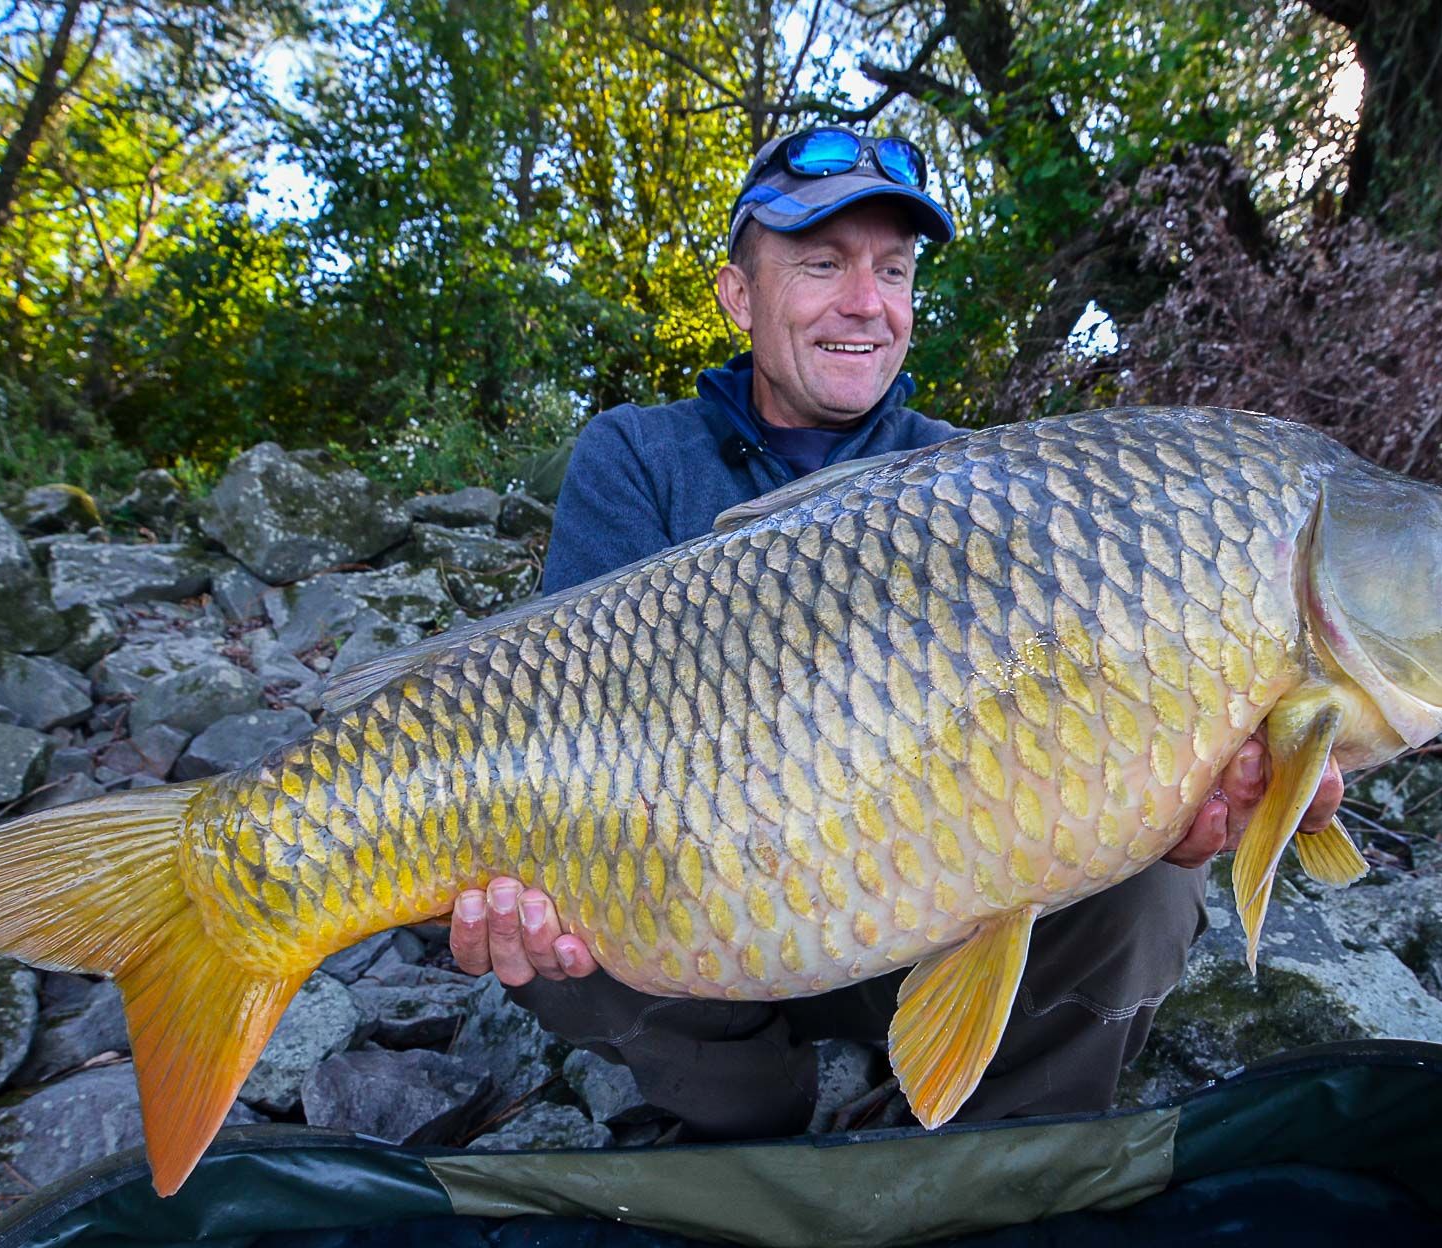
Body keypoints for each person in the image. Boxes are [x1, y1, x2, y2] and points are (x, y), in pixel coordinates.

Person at [445, 127, 1344, 1138]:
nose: (866, 302)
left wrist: (1168, 799)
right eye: (822, 265)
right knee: (534, 909)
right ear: (738, 297)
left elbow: (1080, 718)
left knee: (1149, 897)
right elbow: (542, 727)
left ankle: (990, 1149)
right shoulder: (639, 457)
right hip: (702, 923)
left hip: (915, 914)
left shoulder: (988, 483)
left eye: (894, 270)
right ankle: (749, 1124)